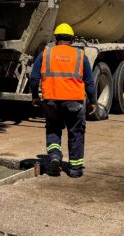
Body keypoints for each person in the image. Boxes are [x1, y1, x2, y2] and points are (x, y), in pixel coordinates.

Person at [30, 23, 97, 178]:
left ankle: (54, 156)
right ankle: (75, 169)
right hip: (74, 103)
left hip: (51, 101)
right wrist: (93, 101)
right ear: (72, 40)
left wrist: (35, 96)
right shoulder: (80, 55)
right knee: (76, 133)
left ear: (55, 38)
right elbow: (89, 82)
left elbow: (34, 78)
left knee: (53, 128)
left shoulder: (45, 54)